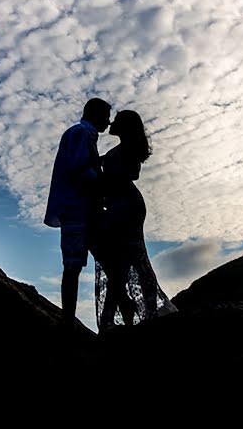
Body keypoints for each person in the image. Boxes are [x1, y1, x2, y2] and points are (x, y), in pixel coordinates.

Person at [93, 110, 177, 331]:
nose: (112, 122)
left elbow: (127, 175)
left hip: (125, 207)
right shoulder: (123, 149)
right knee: (128, 263)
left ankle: (116, 319)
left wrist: (102, 177)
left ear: (125, 126)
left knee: (122, 264)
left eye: (117, 120)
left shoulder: (127, 150)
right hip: (122, 206)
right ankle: (143, 315)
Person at [44, 98, 111, 332]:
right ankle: (67, 323)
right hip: (77, 211)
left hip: (83, 210)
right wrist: (106, 182)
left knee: (99, 264)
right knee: (73, 268)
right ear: (95, 114)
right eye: (106, 116)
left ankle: (75, 321)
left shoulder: (83, 134)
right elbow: (81, 171)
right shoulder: (81, 133)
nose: (109, 121)